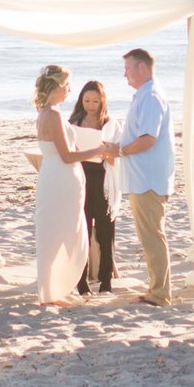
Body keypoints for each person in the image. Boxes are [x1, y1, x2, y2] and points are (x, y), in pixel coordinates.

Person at [109, 47, 177, 306]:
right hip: (142, 177)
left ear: (142, 67)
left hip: (149, 178)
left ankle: (160, 293)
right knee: (149, 235)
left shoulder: (150, 97)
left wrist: (120, 151)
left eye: (127, 68)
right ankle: (157, 288)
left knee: (152, 235)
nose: (124, 74)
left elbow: (148, 138)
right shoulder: (143, 95)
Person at [31, 65, 103, 306]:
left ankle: (58, 286)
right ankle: (52, 289)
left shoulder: (47, 113)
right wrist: (99, 150)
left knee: (59, 229)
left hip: (56, 176)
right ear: (56, 86)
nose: (70, 90)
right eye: (66, 85)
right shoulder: (52, 115)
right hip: (60, 177)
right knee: (59, 231)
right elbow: (67, 156)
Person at [69, 83, 120, 294]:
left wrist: (106, 152)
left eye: (95, 101)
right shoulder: (74, 122)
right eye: (87, 100)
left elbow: (119, 154)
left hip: (103, 178)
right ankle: (81, 281)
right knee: (82, 231)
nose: (91, 105)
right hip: (81, 177)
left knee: (105, 232)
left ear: (103, 102)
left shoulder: (110, 124)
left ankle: (106, 279)